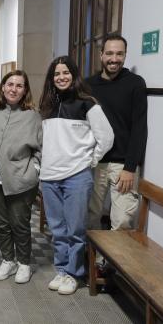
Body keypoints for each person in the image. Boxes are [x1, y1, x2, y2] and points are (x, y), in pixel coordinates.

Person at [38, 56, 114, 295]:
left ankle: (75, 274)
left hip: (76, 177)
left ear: (74, 75)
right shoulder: (48, 105)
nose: (61, 77)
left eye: (66, 72)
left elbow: (107, 137)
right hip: (50, 177)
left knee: (75, 230)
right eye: (56, 74)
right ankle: (62, 269)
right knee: (58, 229)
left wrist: (89, 161)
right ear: (52, 78)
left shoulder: (87, 103)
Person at [0, 70, 42, 284]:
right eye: (10, 84)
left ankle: (24, 263)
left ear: (25, 91)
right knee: (1, 223)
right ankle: (8, 260)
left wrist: (35, 171)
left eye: (19, 86)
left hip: (20, 181)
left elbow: (41, 149)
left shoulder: (32, 116)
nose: (13, 89)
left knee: (19, 224)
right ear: (3, 87)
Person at [87, 34, 148, 236]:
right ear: (101, 55)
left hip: (123, 165)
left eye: (119, 54)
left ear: (125, 55)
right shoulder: (88, 86)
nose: (114, 58)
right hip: (93, 162)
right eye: (110, 53)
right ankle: (92, 261)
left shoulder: (135, 83)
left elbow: (139, 128)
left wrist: (131, 167)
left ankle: (109, 267)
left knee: (123, 220)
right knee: (89, 215)